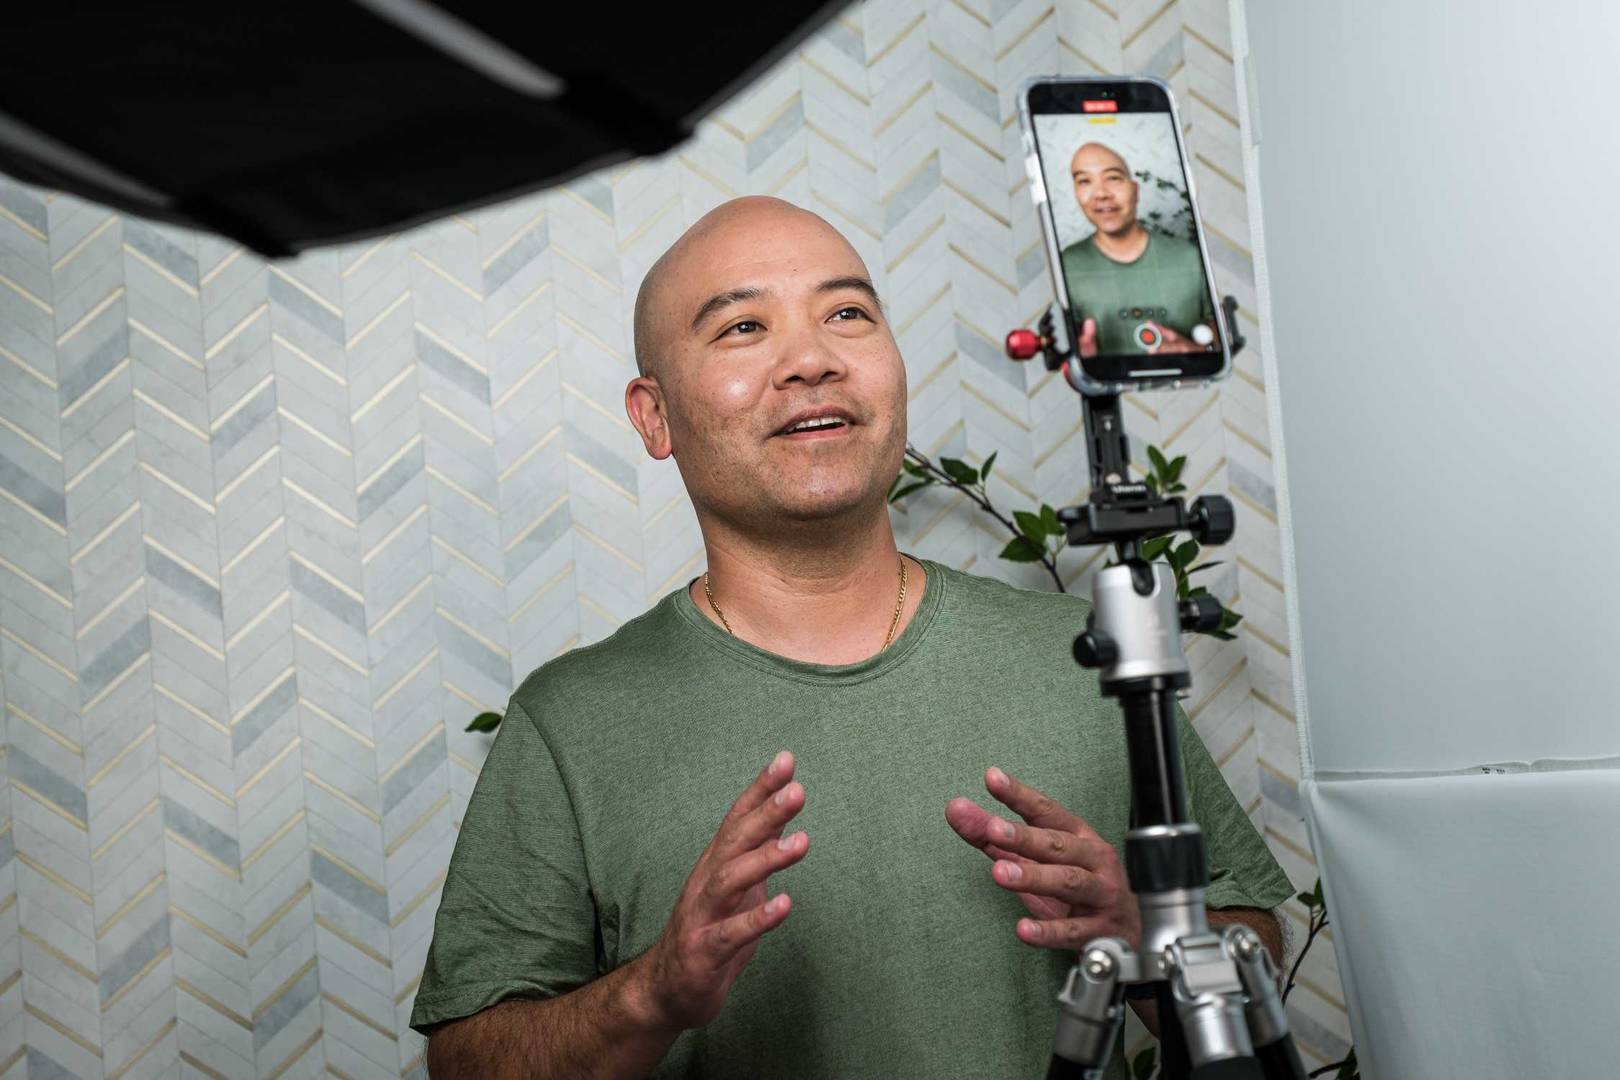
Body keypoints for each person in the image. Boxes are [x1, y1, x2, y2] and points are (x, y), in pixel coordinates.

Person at [409, 196, 1293, 1079]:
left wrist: (1147, 935)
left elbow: (1250, 939)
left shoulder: (1088, 654)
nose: (812, 360)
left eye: (847, 314)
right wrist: (651, 994)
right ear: (655, 416)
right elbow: (466, 1063)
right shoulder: (572, 720)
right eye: (744, 327)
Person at [1059, 141, 1218, 359]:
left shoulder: (1190, 257)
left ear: (1135, 190)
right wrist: (1080, 361)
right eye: (1084, 181)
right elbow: (1065, 350)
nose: (1101, 193)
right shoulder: (1066, 265)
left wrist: (1198, 352)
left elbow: (1221, 338)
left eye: (1113, 178)